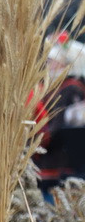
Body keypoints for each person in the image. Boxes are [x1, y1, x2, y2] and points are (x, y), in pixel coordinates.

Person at [33, 34, 85, 197]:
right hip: (47, 162)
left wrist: (37, 144)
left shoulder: (71, 88)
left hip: (58, 163)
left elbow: (57, 126)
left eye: (52, 61)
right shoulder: (54, 87)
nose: (48, 65)